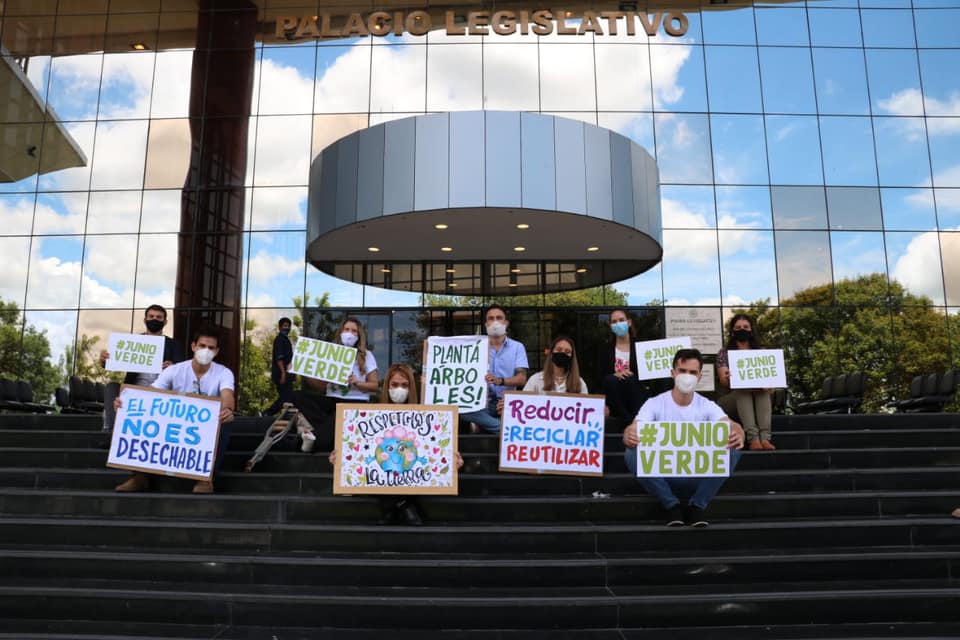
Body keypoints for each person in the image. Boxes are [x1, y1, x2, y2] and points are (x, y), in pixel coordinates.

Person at [622, 348, 745, 527]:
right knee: (631, 452)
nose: (687, 376)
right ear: (673, 373)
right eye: (682, 371)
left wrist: (738, 431)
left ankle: (697, 506)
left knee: (734, 448)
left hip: (698, 477)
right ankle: (672, 505)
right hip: (663, 475)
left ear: (700, 377)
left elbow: (729, 423)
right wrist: (630, 433)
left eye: (693, 372)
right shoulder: (654, 403)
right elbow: (635, 426)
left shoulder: (706, 405)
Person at [327, 363, 463, 525]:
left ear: (411, 388)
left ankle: (392, 508)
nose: (399, 389)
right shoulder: (370, 415)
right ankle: (404, 506)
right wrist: (342, 460)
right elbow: (362, 457)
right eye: (395, 385)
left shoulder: (429, 416)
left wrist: (451, 459)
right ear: (387, 386)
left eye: (405, 385)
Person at [113, 327, 236, 494]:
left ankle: (205, 479)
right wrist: (126, 403)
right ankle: (140, 477)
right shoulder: (174, 370)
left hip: (203, 428)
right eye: (202, 346)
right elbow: (150, 393)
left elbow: (227, 395)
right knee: (141, 416)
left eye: (211, 347)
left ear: (217, 351)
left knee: (225, 421)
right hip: (175, 427)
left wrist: (228, 409)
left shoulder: (224, 372)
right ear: (193, 347)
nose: (206, 350)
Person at [99, 304, 183, 436]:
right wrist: (104, 360)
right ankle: (110, 432)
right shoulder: (132, 342)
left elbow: (182, 370)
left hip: (161, 392)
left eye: (158, 317)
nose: (154, 319)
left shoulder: (174, 345)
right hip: (134, 389)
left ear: (165, 322)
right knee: (111, 387)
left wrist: (173, 366)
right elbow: (110, 363)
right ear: (145, 320)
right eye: (151, 316)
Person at [460, 305, 528, 433]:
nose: (495, 321)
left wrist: (500, 381)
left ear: (506, 323)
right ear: (486, 324)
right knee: (462, 411)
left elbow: (521, 378)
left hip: (507, 402)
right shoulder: (474, 347)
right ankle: (504, 429)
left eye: (499, 318)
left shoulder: (517, 347)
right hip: (482, 403)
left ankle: (486, 425)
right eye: (491, 318)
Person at [716, 313, 774, 450]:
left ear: (751, 330)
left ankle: (765, 438)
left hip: (757, 398)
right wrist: (730, 378)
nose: (742, 329)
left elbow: (771, 382)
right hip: (731, 400)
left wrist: (769, 385)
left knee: (763, 392)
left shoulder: (761, 352)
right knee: (743, 390)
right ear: (732, 331)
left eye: (745, 327)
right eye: (738, 327)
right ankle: (753, 438)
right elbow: (723, 381)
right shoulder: (724, 352)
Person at [596, 309, 648, 421]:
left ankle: (632, 420)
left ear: (629, 322)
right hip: (615, 399)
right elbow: (600, 377)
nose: (618, 324)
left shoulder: (641, 347)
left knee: (629, 379)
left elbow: (648, 377)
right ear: (610, 326)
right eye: (614, 322)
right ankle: (629, 421)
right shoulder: (605, 349)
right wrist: (616, 375)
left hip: (635, 396)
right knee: (611, 380)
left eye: (621, 320)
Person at [523, 335, 588, 395]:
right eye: (559, 350)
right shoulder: (535, 380)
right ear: (551, 354)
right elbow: (524, 403)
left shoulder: (580, 383)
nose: (562, 353)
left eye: (567, 352)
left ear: (572, 357)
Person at [264, 317, 295, 416]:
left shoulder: (286, 340)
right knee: (286, 397)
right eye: (285, 326)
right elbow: (279, 358)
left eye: (288, 326)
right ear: (280, 327)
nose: (287, 328)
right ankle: (268, 413)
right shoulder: (279, 340)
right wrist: (283, 373)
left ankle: (272, 414)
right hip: (282, 374)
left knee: (287, 398)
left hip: (288, 374)